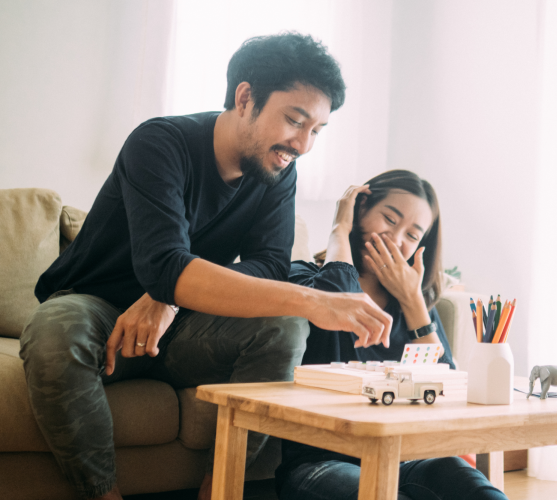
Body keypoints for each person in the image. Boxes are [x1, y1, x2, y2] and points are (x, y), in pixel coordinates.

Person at [19, 33, 393, 500]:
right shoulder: (160, 143)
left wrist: (170, 298)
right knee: (55, 330)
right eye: (295, 121)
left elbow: (270, 266)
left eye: (316, 131)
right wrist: (316, 300)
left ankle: (219, 489)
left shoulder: (277, 172)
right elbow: (164, 264)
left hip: (184, 328)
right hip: (96, 309)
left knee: (284, 327)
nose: (302, 144)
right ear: (245, 97)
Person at [275, 170, 509, 500]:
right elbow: (339, 301)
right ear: (360, 211)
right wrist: (339, 229)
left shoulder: (411, 308)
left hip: (405, 458)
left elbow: (446, 389)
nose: (396, 240)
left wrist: (413, 301)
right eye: (389, 219)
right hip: (321, 463)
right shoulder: (306, 281)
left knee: (472, 486)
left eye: (412, 236)